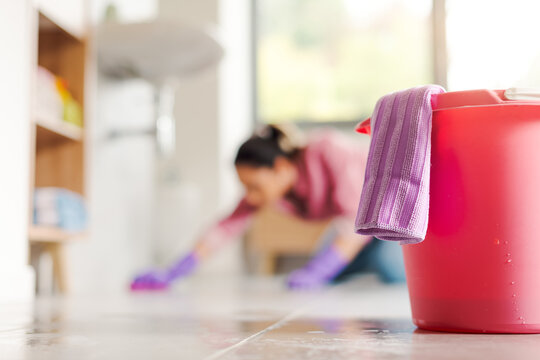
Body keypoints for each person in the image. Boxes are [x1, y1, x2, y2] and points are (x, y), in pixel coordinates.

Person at [131, 124, 405, 290]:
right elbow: (226, 227)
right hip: (356, 230)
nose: (249, 197)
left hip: (392, 216)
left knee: (388, 268)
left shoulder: (327, 149)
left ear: (281, 168)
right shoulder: (273, 190)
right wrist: (176, 269)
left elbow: (356, 218)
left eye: (254, 187)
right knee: (330, 274)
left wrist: (322, 269)